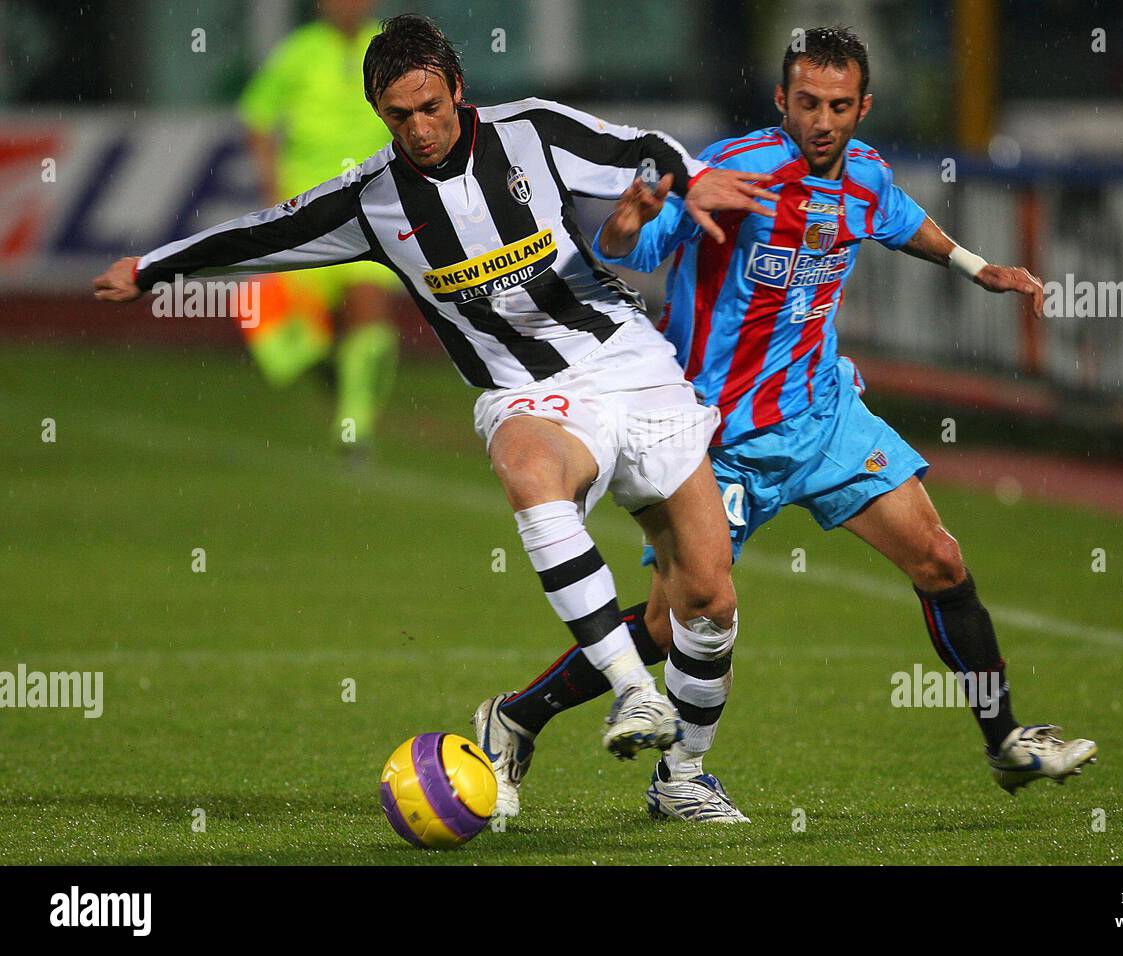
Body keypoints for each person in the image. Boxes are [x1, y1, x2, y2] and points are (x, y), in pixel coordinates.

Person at [93, 14, 779, 772]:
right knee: (528, 472)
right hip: (524, 391)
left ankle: (681, 779)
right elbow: (262, 234)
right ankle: (629, 688)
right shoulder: (372, 201)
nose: (420, 129)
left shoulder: (533, 132)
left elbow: (636, 150)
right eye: (399, 116)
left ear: (459, 89)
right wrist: (153, 267)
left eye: (432, 108)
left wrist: (685, 176)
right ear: (378, 113)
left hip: (627, 363)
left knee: (708, 597)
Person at [476, 26, 1097, 823]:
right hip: (718, 433)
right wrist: (630, 218)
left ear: (863, 107)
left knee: (940, 560)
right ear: (782, 101)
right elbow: (625, 246)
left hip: (823, 417)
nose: (823, 120)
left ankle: (1006, 740)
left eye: (840, 105)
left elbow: (905, 223)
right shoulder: (734, 172)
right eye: (808, 103)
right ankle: (524, 718)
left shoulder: (865, 178)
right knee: (674, 623)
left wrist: (982, 270)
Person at [238, 0, 404, 449]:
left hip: (372, 205)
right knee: (270, 329)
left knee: (368, 307)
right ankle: (327, 369)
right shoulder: (298, 52)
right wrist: (272, 187)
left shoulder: (393, 50)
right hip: (305, 211)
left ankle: (355, 427)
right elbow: (257, 116)